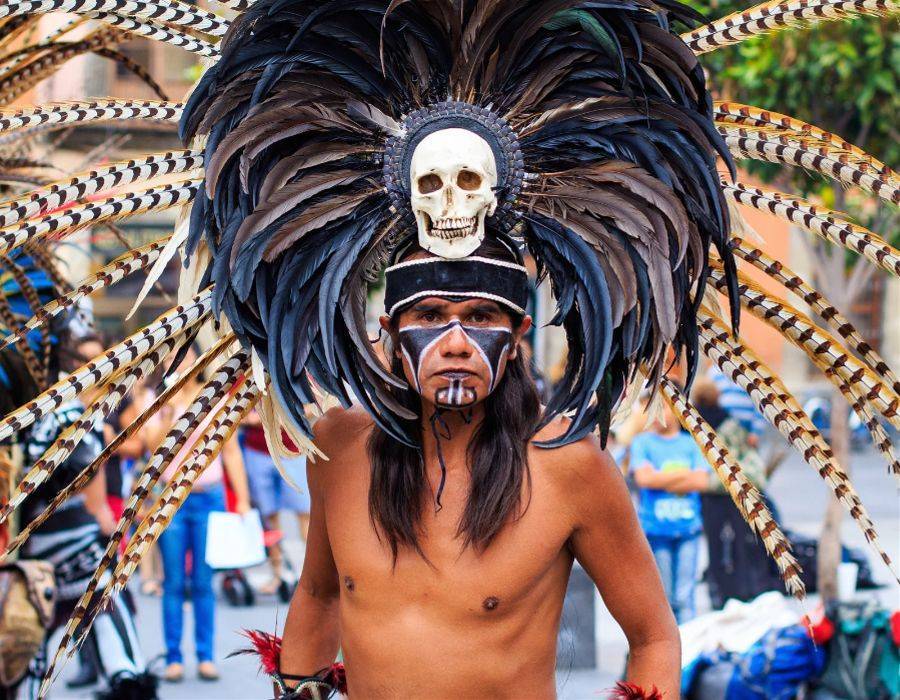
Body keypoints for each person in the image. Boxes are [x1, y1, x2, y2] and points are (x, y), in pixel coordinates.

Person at [277, 240, 679, 697]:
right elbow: (318, 594)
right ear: (391, 329)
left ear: (515, 337)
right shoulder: (340, 445)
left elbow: (654, 637)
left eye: (481, 318)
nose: (455, 346)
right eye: (429, 316)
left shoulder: (569, 462)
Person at [17, 335, 156, 698]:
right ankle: (126, 680)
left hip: (31, 542)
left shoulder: (30, 413)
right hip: (73, 539)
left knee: (27, 637)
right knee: (110, 622)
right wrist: (104, 526)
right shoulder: (72, 413)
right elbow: (87, 477)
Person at [143, 347, 252, 683]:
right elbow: (152, 449)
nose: (182, 362)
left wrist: (244, 501)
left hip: (209, 497)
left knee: (204, 582)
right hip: (172, 498)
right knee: (173, 581)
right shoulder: (158, 398)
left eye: (188, 356)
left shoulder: (216, 397)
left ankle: (205, 655)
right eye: (175, 356)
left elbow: (230, 452)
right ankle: (174, 657)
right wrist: (168, 412)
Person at [629, 394, 710, 624]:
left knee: (685, 597)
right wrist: (685, 475)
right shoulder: (642, 443)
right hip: (657, 531)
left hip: (688, 530)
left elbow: (702, 482)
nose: (658, 415)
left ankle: (688, 651)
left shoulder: (690, 443)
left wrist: (660, 477)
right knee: (662, 598)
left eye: (662, 408)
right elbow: (644, 480)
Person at [241, 410, 310, 594]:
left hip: (293, 449)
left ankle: (310, 577)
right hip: (258, 450)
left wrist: (280, 418)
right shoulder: (243, 379)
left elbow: (313, 406)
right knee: (269, 517)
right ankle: (278, 576)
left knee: (305, 514)